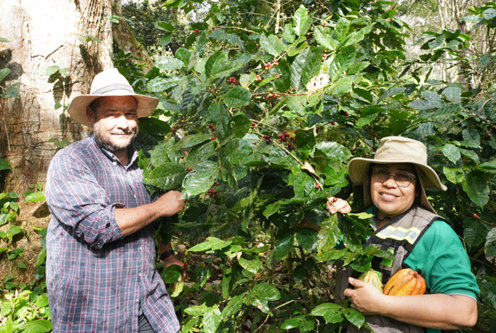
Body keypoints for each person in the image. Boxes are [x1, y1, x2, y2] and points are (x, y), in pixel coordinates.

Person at [45, 68, 185, 332]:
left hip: (147, 301)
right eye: (112, 114)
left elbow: (158, 216)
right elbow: (99, 227)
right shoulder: (72, 161)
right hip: (95, 312)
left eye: (130, 114)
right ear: (91, 116)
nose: (124, 123)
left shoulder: (147, 162)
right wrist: (159, 207)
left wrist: (167, 254)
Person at [326, 136, 479, 333]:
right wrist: (329, 211)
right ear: (370, 179)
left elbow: (464, 312)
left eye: (404, 176)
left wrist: (382, 304)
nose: (390, 183)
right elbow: (312, 233)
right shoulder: (357, 220)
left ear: (417, 189)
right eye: (382, 172)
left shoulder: (435, 232)